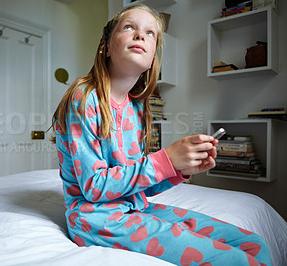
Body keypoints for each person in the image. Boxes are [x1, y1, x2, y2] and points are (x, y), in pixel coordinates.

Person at [51, 3, 271, 265]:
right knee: (237, 260)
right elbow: (94, 188)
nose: (140, 35)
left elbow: (137, 184)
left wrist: (180, 168)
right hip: (97, 218)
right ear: (106, 46)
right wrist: (165, 159)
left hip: (136, 208)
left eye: (150, 33)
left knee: (254, 245)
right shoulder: (84, 96)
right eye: (129, 27)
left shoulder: (137, 108)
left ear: (153, 56)